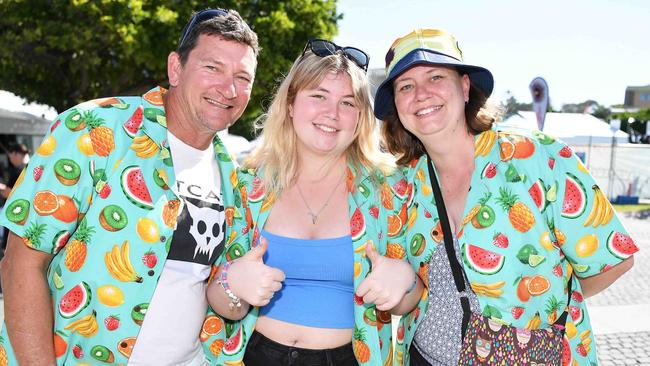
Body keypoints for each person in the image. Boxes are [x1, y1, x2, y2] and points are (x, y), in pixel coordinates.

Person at [0, 8, 258, 365]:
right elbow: (22, 263)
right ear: (176, 68)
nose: (228, 89)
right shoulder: (93, 129)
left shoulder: (233, 176)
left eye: (243, 77)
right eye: (212, 67)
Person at [374, 29, 639, 365]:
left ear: (465, 87)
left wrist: (542, 310)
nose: (421, 94)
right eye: (405, 86)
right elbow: (407, 299)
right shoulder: (401, 187)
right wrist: (393, 288)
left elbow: (613, 259)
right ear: (397, 104)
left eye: (436, 76)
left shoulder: (538, 157)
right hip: (425, 357)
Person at [205, 39, 423, 366]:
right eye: (318, 96)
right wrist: (233, 283)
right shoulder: (248, 186)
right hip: (255, 356)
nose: (331, 114)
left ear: (361, 117)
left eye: (348, 103)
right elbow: (224, 305)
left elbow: (407, 301)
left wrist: (405, 280)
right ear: (290, 105)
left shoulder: (389, 191)